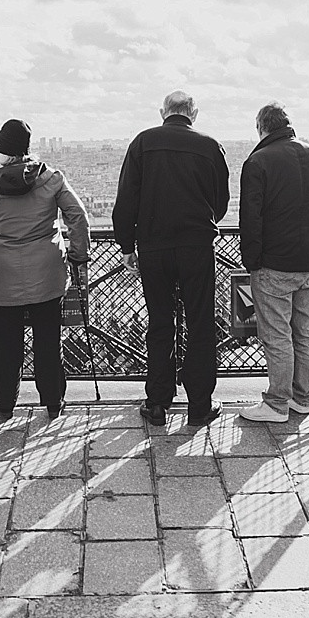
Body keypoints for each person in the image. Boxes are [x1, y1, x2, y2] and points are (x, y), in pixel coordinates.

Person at [112, 90, 230, 427]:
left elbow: (126, 200)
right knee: (201, 322)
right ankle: (199, 404)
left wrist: (126, 246)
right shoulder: (210, 146)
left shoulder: (143, 143)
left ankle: (159, 402)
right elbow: (220, 202)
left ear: (163, 111)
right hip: (196, 246)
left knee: (161, 323)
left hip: (154, 246)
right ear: (194, 113)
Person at [0, 119, 90, 420]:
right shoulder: (52, 179)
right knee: (47, 339)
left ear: (3, 153)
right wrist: (77, 255)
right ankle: (53, 402)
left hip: (2, 274)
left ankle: (5, 403)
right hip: (47, 271)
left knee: (4, 342)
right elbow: (78, 216)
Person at [237, 101, 309, 423]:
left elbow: (251, 218)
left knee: (276, 334)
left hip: (273, 261)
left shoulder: (258, 161)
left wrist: (252, 262)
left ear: (262, 127)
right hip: (306, 260)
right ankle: (302, 398)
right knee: (303, 330)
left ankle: (276, 403)